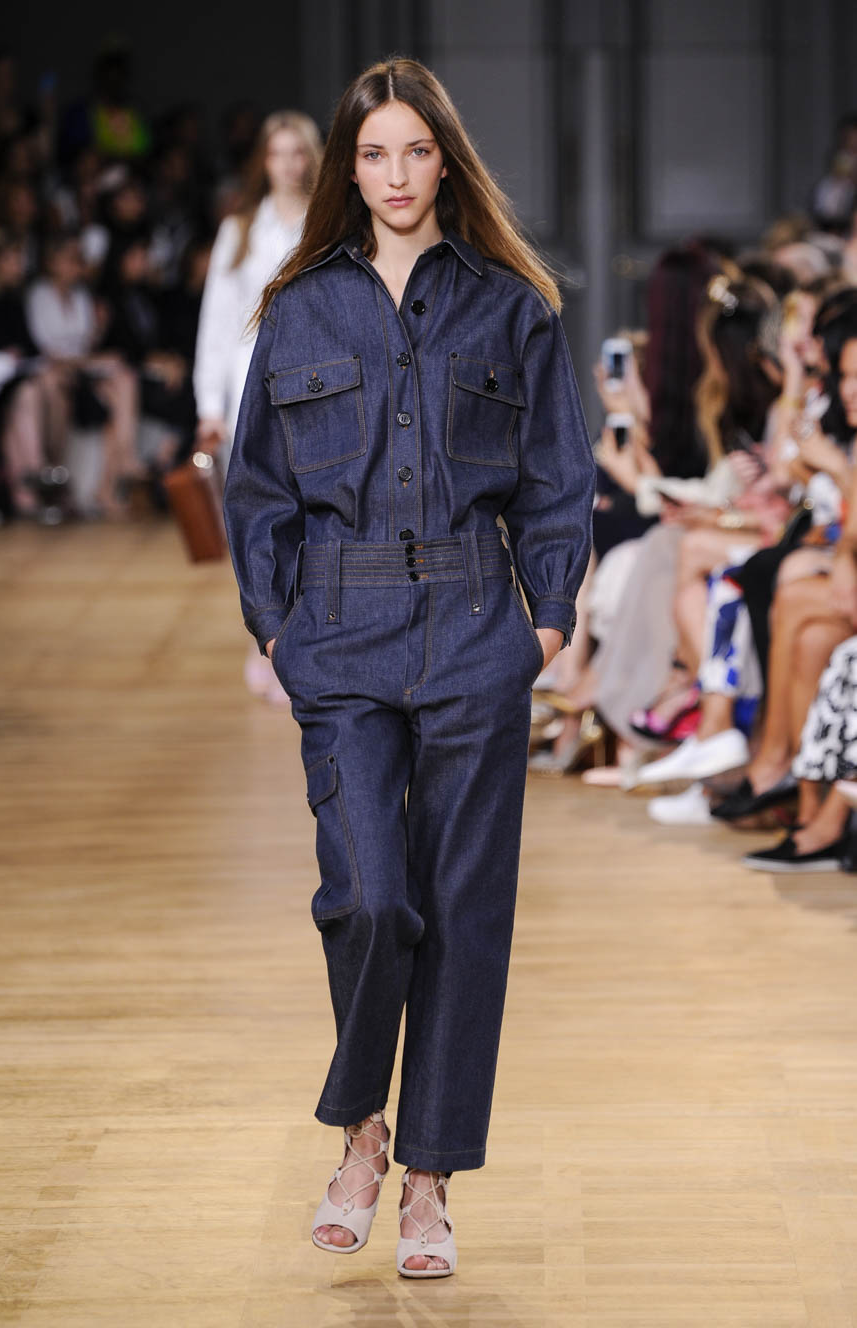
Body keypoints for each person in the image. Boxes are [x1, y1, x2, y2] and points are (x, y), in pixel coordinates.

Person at [222, 56, 596, 1278]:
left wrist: (543, 627)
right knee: (370, 895)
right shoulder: (298, 307)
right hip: (338, 628)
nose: (394, 175)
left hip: (474, 624)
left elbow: (557, 479)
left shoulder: (510, 307)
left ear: (446, 160)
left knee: (463, 910)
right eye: (373, 153)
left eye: (415, 151)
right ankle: (358, 1127)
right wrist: (274, 626)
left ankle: (425, 1177)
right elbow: (257, 486)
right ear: (348, 166)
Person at [194, 109, 322, 702]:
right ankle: (267, 641)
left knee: (311, 516)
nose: (289, 164)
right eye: (278, 153)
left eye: (298, 152)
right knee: (258, 520)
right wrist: (209, 405)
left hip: (315, 388)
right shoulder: (240, 229)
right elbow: (217, 321)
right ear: (263, 161)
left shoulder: (329, 222)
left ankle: (304, 642)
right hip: (248, 390)